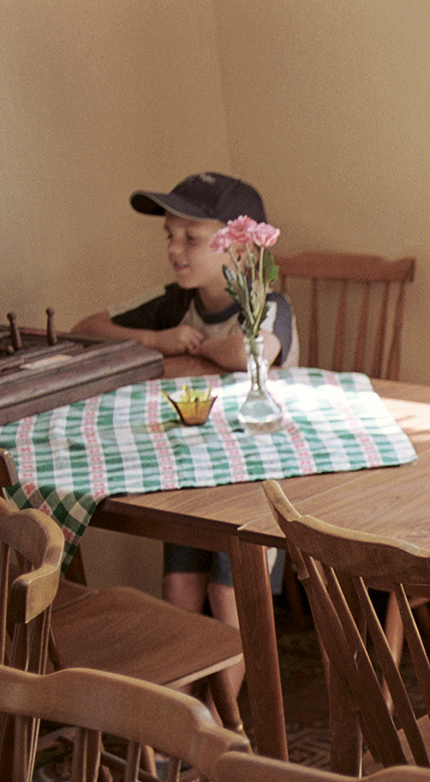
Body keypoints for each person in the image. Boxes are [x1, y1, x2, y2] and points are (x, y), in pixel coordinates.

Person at [73, 171, 299, 702]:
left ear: (236, 247)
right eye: (169, 236)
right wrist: (155, 338)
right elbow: (86, 328)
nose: (175, 250)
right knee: (177, 588)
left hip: (256, 482)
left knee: (230, 592)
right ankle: (178, 714)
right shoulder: (175, 301)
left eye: (190, 239)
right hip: (191, 474)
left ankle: (226, 722)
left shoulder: (266, 300)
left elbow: (253, 352)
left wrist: (187, 355)